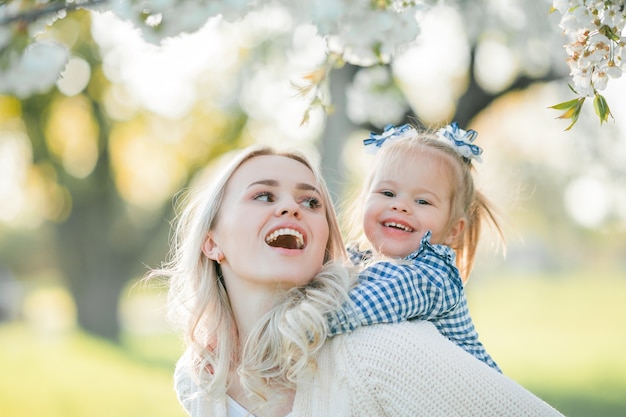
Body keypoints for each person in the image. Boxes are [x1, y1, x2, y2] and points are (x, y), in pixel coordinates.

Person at [151, 144, 564, 416]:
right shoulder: (200, 378)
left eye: (310, 201)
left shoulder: (377, 349)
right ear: (211, 241)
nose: (292, 209)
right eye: (264, 195)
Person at [327, 122, 502, 372]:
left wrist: (297, 325)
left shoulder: (433, 276)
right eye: (387, 193)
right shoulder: (358, 260)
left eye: (422, 201)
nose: (400, 205)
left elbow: (357, 307)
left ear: (453, 230)